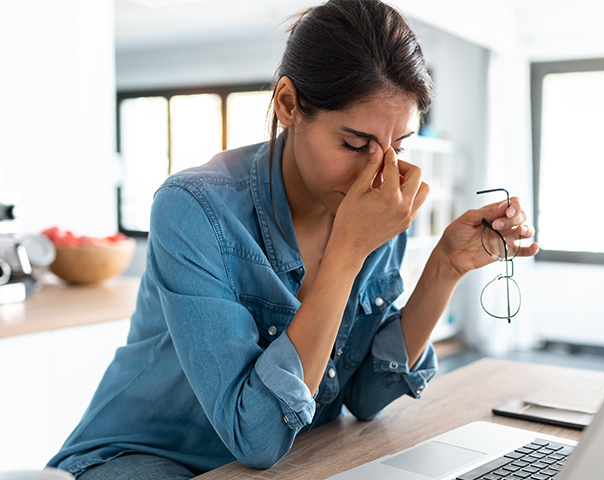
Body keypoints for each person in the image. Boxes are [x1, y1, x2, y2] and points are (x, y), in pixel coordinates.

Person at [48, 0, 539, 478]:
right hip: (145, 456)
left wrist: (445, 267)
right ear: (288, 104)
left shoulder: (370, 204)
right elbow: (255, 437)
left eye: (399, 146)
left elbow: (366, 396)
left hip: (285, 461)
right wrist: (347, 253)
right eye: (354, 144)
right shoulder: (193, 207)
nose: (380, 172)